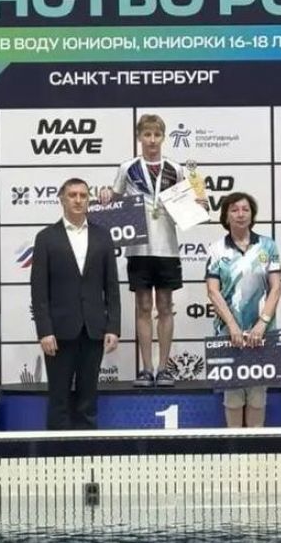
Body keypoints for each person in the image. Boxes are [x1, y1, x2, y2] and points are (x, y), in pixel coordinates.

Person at [99, 114, 187, 388]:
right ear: (139, 137)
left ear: (163, 137)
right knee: (143, 307)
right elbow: (114, 199)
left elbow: (188, 205)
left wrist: (198, 201)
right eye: (147, 135)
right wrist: (105, 194)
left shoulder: (176, 169)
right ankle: (146, 369)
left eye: (157, 135)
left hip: (167, 248)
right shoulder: (127, 168)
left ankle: (164, 368)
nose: (152, 140)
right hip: (138, 248)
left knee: (165, 307)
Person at [31, 178, 121, 430]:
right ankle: (58, 452)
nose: (78, 200)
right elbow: (39, 289)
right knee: (58, 398)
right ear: (62, 199)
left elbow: (111, 285)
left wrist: (113, 327)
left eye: (83, 195)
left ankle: (87, 448)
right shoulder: (46, 238)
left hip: (94, 330)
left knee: (88, 398)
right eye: (72, 195)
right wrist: (44, 331)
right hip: (59, 332)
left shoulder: (103, 236)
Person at [205, 192, 281, 428]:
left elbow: (276, 288)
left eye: (245, 209)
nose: (240, 214)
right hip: (228, 333)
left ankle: (255, 448)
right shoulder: (216, 249)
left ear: (252, 215)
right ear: (226, 216)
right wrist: (232, 326)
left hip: (262, 332)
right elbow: (213, 291)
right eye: (235, 210)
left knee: (258, 397)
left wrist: (262, 323)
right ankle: (235, 447)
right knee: (233, 397)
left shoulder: (267, 245)